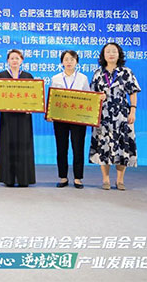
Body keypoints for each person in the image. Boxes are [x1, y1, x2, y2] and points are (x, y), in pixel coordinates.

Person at [91, 42, 140, 191]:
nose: (111, 54)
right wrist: (98, 97)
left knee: (122, 146)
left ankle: (120, 180)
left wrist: (133, 111)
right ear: (103, 55)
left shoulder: (126, 72)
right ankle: (105, 179)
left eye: (114, 51)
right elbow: (91, 95)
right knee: (103, 146)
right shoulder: (98, 73)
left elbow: (133, 92)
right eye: (108, 51)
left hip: (122, 115)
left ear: (119, 54)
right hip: (103, 115)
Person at [0, 49, 36, 187]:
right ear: (8, 61)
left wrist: (33, 106)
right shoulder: (1, 75)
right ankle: (9, 179)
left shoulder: (28, 76)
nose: (14, 61)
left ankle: (24, 179)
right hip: (7, 117)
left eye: (17, 58)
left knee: (24, 145)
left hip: (24, 118)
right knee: (8, 145)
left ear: (21, 60)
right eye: (12, 58)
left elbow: (34, 96)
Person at [48, 50, 89, 189]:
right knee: (61, 148)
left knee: (78, 147)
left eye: (72, 59)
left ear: (76, 61)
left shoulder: (83, 78)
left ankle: (78, 178)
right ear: (62, 62)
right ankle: (63, 177)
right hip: (60, 118)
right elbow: (52, 98)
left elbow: (88, 97)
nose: (69, 62)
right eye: (66, 59)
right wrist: (50, 113)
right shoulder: (56, 78)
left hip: (78, 119)